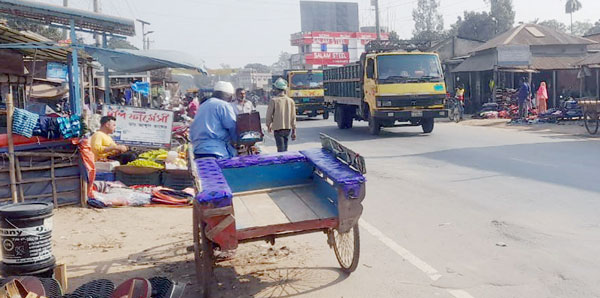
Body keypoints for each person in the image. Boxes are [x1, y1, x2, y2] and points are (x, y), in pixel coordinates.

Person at [190, 81, 238, 159]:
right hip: (216, 151)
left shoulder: (203, 105)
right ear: (228, 95)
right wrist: (237, 141)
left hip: (198, 150)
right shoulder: (223, 105)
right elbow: (232, 126)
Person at [266, 78, 296, 152]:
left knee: (280, 149)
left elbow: (269, 115)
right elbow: (293, 117)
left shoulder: (274, 100)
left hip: (277, 129)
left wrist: (268, 126)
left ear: (276, 89)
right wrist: (294, 131)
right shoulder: (290, 101)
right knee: (285, 148)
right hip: (287, 129)